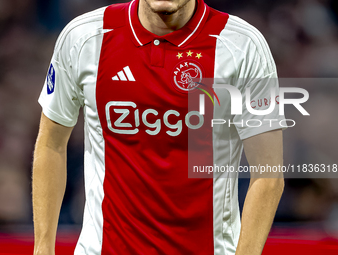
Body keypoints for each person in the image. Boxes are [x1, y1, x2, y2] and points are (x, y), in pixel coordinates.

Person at [32, 0, 285, 254]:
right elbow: (51, 144)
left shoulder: (243, 46)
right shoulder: (84, 37)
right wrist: (43, 248)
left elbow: (268, 174)